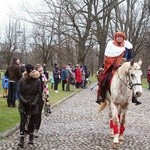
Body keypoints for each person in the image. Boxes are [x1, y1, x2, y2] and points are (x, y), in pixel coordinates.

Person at [96, 31, 141, 105]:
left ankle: (134, 97)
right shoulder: (111, 46)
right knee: (103, 78)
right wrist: (115, 64)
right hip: (113, 67)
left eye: (121, 37)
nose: (119, 38)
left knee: (134, 78)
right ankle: (101, 96)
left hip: (126, 66)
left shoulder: (128, 46)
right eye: (118, 37)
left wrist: (127, 62)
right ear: (115, 38)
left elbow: (131, 57)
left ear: (123, 38)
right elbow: (108, 58)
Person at [17, 64, 41, 148]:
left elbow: (38, 93)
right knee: (23, 121)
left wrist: (34, 103)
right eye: (31, 70)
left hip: (33, 104)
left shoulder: (37, 81)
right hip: (23, 104)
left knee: (32, 121)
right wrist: (24, 101)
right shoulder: (21, 80)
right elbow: (19, 93)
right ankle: (21, 138)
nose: (33, 72)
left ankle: (31, 138)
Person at [34, 64, 50, 138]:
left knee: (38, 113)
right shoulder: (33, 77)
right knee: (33, 113)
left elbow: (46, 89)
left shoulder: (43, 77)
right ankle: (31, 127)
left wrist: (47, 100)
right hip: (33, 97)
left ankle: (36, 129)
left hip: (41, 97)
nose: (41, 72)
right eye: (39, 71)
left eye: (42, 71)